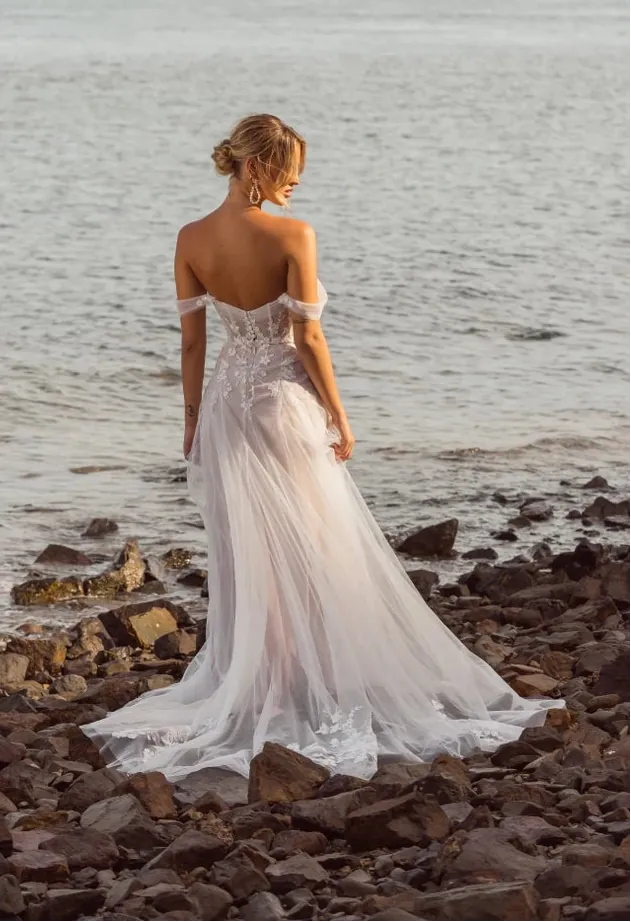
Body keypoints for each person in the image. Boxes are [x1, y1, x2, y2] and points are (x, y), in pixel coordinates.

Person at [83, 113, 563, 780]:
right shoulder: (293, 236)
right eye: (286, 172)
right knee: (312, 541)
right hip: (282, 402)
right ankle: (310, 682)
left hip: (226, 402)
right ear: (254, 168)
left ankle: (267, 683)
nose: (294, 185)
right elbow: (307, 340)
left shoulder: (191, 237)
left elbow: (192, 343)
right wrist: (339, 414)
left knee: (248, 547)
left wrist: (190, 419)